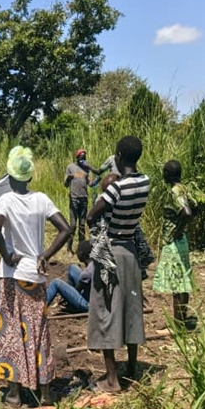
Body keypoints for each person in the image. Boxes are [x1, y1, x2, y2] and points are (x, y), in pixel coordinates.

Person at [0, 146, 72, 407]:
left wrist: (7, 255)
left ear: (10, 177)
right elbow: (66, 229)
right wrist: (45, 255)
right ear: (29, 176)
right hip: (35, 275)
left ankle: (14, 394)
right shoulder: (41, 200)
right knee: (39, 332)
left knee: (12, 332)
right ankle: (45, 394)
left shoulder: (6, 201)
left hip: (13, 276)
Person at [85, 135, 150, 393]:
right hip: (130, 252)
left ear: (119, 156)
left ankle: (112, 380)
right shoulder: (145, 182)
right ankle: (132, 369)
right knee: (131, 307)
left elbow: (92, 216)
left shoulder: (116, 189)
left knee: (105, 310)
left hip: (111, 252)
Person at [152, 160, 196, 331]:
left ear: (167, 174)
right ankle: (181, 320)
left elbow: (187, 212)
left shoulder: (174, 191)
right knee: (183, 283)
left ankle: (177, 325)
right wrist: (183, 228)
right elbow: (195, 207)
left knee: (177, 285)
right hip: (181, 240)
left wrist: (177, 230)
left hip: (174, 242)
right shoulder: (184, 189)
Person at [64, 150, 100, 255]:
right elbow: (65, 184)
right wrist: (68, 179)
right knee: (73, 225)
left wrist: (98, 179)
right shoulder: (70, 167)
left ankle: (81, 249)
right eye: (81, 156)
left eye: (84, 157)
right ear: (77, 157)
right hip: (74, 198)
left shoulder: (86, 168)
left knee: (82, 225)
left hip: (84, 199)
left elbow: (90, 183)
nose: (83, 158)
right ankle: (69, 249)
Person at [46, 240, 93, 314]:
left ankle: (40, 309)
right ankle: (70, 304)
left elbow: (77, 289)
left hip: (88, 305)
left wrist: (64, 294)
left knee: (56, 283)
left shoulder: (86, 273)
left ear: (81, 254)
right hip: (93, 298)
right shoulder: (94, 265)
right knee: (73, 268)